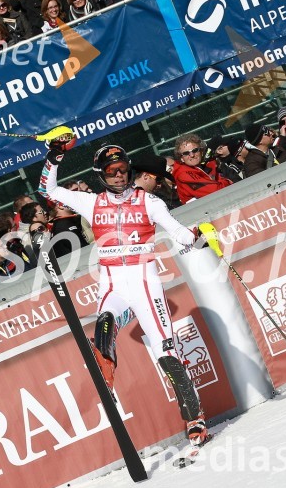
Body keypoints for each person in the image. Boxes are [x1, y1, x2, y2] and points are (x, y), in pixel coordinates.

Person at [38, 140, 211, 447]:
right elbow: (48, 190)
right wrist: (55, 156)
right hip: (112, 281)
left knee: (166, 354)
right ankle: (106, 363)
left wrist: (199, 236)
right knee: (105, 319)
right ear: (100, 174)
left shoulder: (149, 201)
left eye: (123, 169)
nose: (119, 175)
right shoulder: (91, 202)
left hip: (145, 282)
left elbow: (177, 231)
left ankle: (194, 416)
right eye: (111, 171)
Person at [171, 133, 231, 204]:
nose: (192, 155)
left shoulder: (206, 166)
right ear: (181, 158)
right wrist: (228, 182)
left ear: (201, 151)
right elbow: (215, 191)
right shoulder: (183, 174)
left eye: (195, 150)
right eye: (186, 153)